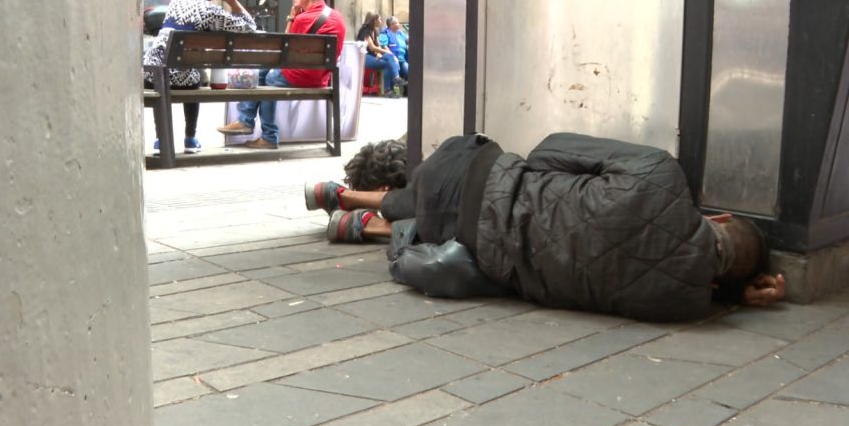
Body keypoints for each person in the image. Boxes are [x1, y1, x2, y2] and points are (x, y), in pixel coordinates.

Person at [304, 133, 786, 322]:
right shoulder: (682, 305)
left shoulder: (661, 172)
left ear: (717, 218)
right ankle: (364, 225)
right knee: (436, 215)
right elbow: (700, 284)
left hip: (473, 182)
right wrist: (736, 295)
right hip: (479, 253)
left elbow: (548, 151)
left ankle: (343, 197)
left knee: (455, 177)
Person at [217, 0, 347, 149]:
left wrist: (291, 17)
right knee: (264, 69)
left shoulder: (302, 19)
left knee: (268, 77)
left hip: (300, 77)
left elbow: (283, 50)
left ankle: (263, 132)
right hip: (322, 78)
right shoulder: (338, 17)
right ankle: (247, 122)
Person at [143, 0, 256, 154]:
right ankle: (190, 138)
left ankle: (160, 140)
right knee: (193, 73)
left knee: (171, 72)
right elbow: (250, 27)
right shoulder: (209, 10)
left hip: (152, 77)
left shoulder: (175, 2)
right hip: (183, 79)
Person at [356, 12, 401, 98]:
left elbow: (378, 46)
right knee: (389, 58)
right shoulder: (365, 31)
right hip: (365, 57)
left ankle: (389, 90)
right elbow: (372, 47)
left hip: (373, 56)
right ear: (374, 20)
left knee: (388, 62)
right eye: (379, 19)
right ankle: (397, 80)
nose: (381, 21)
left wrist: (380, 53)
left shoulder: (375, 31)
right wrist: (386, 52)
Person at [378, 16, 409, 86]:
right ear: (392, 25)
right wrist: (392, 56)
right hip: (392, 59)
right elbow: (383, 46)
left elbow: (408, 40)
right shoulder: (384, 33)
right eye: (397, 23)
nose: (399, 24)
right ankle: (392, 89)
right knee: (395, 68)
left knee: (408, 71)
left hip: (402, 59)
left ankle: (407, 91)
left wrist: (410, 32)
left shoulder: (400, 33)